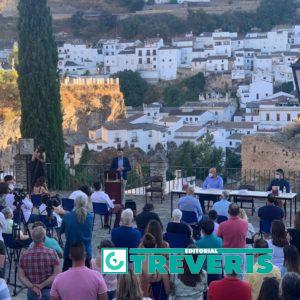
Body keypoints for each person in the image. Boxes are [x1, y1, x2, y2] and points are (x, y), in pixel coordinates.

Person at [18, 226, 61, 300]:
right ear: (44, 238)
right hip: (49, 291)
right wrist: (41, 285)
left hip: (32, 292)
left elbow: (21, 276)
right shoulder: (52, 253)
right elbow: (57, 274)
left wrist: (32, 286)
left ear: (32, 239)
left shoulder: (24, 254)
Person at [61, 194, 93, 271]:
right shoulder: (90, 217)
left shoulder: (67, 216)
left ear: (75, 203)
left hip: (70, 252)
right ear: (86, 204)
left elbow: (61, 231)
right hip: (85, 253)